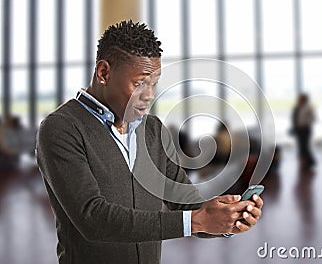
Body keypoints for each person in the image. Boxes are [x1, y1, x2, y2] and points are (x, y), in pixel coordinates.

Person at [36, 20, 263, 264]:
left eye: (154, 83)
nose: (149, 95)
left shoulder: (153, 129)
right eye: (139, 83)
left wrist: (225, 218)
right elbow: (93, 218)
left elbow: (186, 204)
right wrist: (197, 219)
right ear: (104, 73)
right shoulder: (61, 128)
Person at [291, 93, 316, 170]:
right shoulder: (297, 108)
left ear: (304, 100)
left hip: (305, 129)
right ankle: (307, 162)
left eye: (300, 99)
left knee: (304, 146)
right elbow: (294, 118)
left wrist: (305, 124)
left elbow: (312, 118)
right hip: (299, 129)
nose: (298, 100)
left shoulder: (308, 108)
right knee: (301, 146)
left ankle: (309, 162)